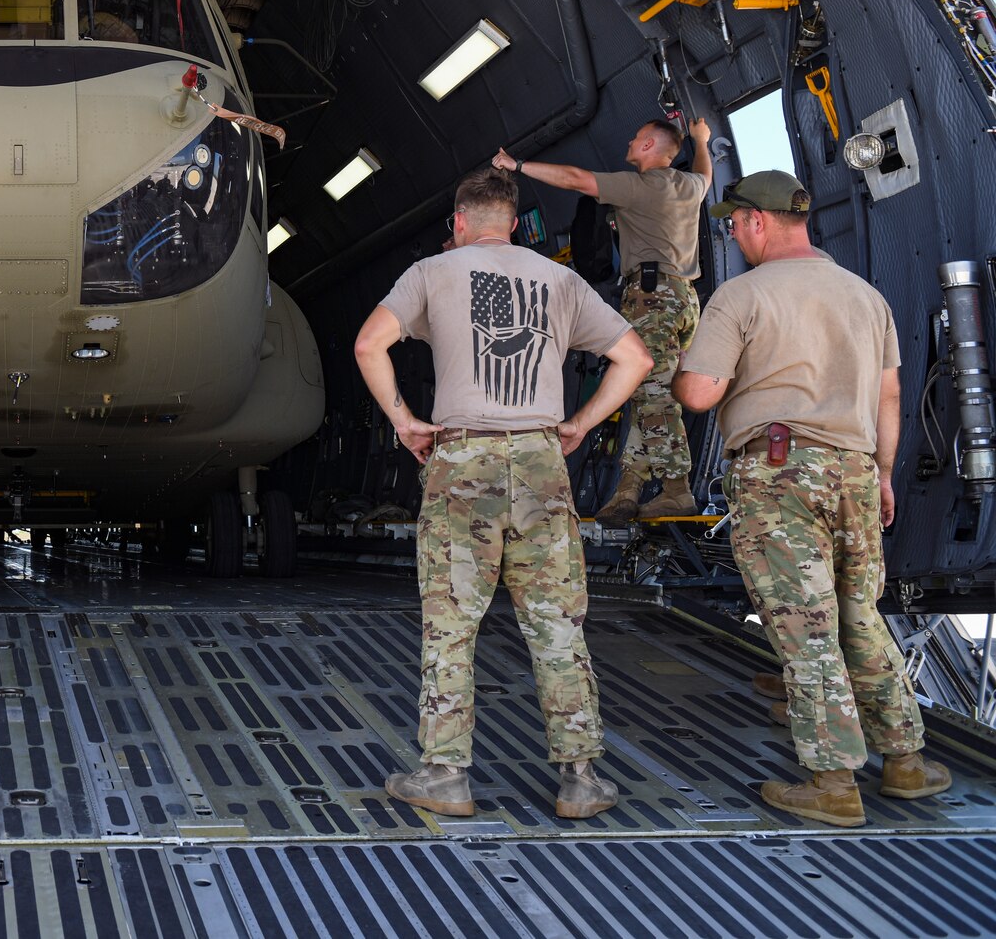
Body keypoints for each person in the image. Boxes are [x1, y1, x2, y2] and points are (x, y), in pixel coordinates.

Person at [353, 167, 653, 820]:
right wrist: (580, 422)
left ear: (458, 223)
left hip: (463, 459)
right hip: (542, 459)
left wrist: (405, 420)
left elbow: (369, 343)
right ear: (514, 224)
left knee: (451, 623)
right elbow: (636, 357)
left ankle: (445, 774)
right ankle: (579, 778)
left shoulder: (433, 272)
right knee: (555, 622)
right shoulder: (563, 281)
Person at [673, 170, 949, 826]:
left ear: (759, 222)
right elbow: (888, 399)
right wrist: (882, 474)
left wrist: (702, 368)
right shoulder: (866, 297)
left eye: (735, 224)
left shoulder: (741, 296)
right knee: (859, 615)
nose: (734, 234)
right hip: (854, 469)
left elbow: (700, 392)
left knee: (806, 626)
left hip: (779, 474)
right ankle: (906, 760)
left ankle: (832, 781)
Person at [493, 116, 713, 523]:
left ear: (649, 146)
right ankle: (628, 489)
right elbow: (704, 171)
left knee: (652, 395)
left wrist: (517, 166)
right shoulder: (690, 186)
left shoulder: (640, 187)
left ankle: (677, 489)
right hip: (684, 300)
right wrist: (701, 141)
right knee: (646, 391)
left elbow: (576, 179)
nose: (629, 141)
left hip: (653, 300)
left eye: (635, 137)